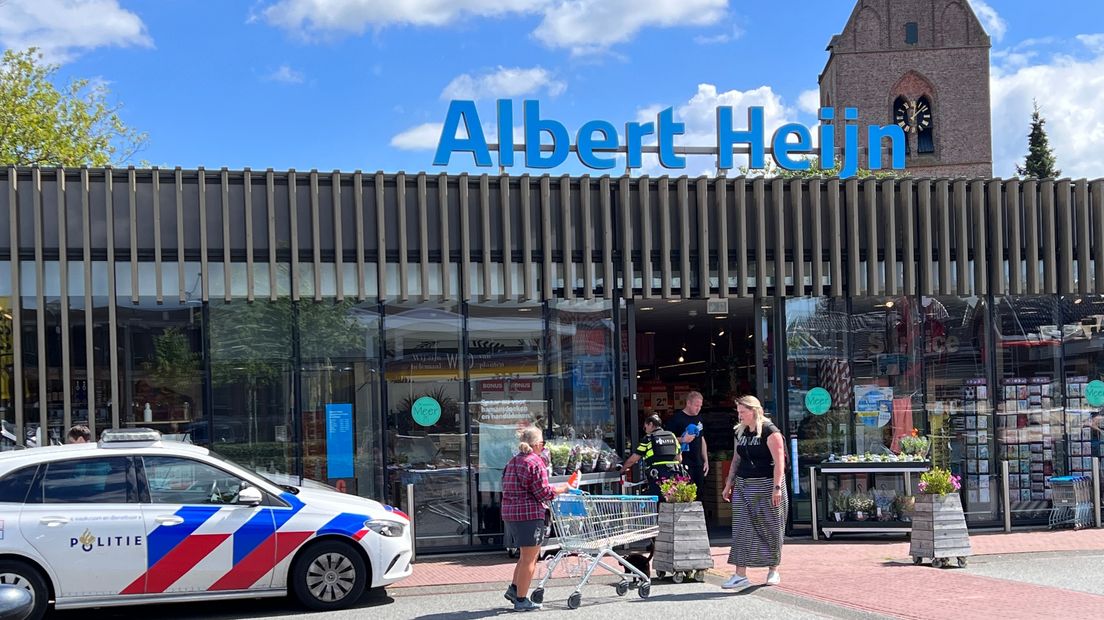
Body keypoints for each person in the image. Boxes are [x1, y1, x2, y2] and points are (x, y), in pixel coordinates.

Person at [721, 395, 787, 589]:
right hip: (744, 484)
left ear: (754, 411)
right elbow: (736, 459)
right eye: (738, 412)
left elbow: (779, 463)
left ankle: (773, 569)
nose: (739, 415)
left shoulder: (769, 431)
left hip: (767, 484)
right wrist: (728, 483)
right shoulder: (740, 432)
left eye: (743, 412)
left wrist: (777, 488)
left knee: (770, 526)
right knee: (741, 528)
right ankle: (740, 574)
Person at [502, 426, 569, 612]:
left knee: (525, 557)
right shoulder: (535, 462)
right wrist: (563, 489)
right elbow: (543, 493)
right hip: (529, 514)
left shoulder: (513, 461)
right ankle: (522, 600)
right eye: (543, 444)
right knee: (530, 559)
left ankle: (515, 589)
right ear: (538, 444)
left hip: (510, 512)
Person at [622, 415, 684, 499]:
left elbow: (634, 459)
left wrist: (622, 469)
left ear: (650, 424)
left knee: (656, 498)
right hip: (674, 472)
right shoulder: (672, 436)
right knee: (672, 498)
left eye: (645, 427)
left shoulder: (649, 438)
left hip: (657, 473)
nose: (645, 430)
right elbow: (679, 458)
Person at [665, 391, 708, 490]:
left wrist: (705, 460)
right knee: (685, 491)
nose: (698, 409)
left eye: (700, 406)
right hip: (683, 461)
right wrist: (682, 439)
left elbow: (702, 438)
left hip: (698, 462)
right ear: (688, 403)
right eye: (696, 405)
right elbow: (668, 439)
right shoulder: (676, 419)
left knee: (699, 492)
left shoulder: (699, 418)